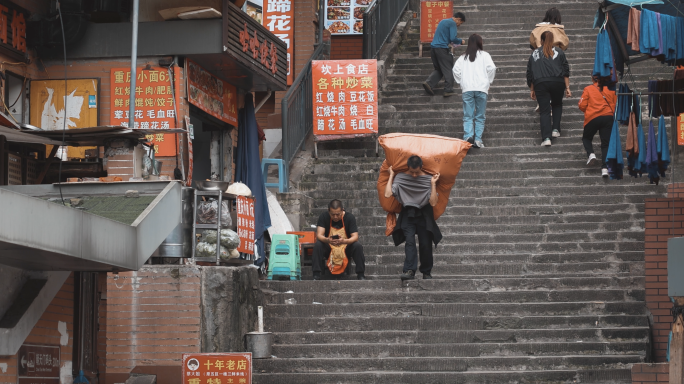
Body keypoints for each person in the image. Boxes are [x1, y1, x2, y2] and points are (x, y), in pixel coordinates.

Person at [384, 156, 443, 281]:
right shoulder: (401, 177)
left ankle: (426, 272)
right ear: (408, 168)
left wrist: (433, 184)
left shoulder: (428, 178)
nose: (415, 175)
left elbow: (433, 202)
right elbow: (388, 194)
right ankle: (409, 270)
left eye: (417, 172)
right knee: (409, 242)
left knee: (425, 244)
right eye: (412, 172)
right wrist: (391, 176)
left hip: (424, 213)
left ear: (422, 167)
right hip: (408, 212)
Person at [526, 31, 571, 146]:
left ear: (541, 41)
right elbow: (565, 70)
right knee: (557, 104)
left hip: (540, 83)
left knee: (544, 110)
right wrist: (567, 87)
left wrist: (532, 89)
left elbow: (530, 73)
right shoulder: (559, 52)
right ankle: (555, 129)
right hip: (558, 82)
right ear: (553, 40)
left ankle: (546, 138)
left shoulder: (534, 53)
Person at [452, 34, 496, 149]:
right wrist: (489, 81)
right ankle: (478, 140)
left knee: (468, 115)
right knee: (480, 116)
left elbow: (455, 70)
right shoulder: (485, 55)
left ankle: (468, 136)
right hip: (482, 88)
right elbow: (492, 68)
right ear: (480, 43)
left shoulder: (463, 57)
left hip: (467, 89)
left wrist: (461, 82)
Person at [311, 199, 366, 280]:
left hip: (345, 248)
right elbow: (319, 235)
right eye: (332, 214)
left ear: (342, 210)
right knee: (318, 245)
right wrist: (328, 240)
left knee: (357, 246)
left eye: (338, 214)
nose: (335, 217)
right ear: (328, 211)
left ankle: (361, 274)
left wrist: (344, 241)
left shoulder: (349, 217)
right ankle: (316, 274)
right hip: (330, 248)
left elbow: (355, 237)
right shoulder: (324, 216)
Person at [578, 76, 616, 178]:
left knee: (586, 137)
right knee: (605, 143)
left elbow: (581, 105)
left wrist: (590, 110)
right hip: (608, 117)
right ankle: (605, 168)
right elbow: (614, 103)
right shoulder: (610, 89)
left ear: (592, 78)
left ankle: (591, 154)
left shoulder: (588, 89)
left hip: (593, 117)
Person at [422, 12, 467, 98]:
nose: (459, 25)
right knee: (448, 68)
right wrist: (461, 41)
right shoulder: (452, 23)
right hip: (442, 49)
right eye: (460, 23)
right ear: (458, 19)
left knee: (439, 69)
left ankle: (429, 83)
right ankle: (448, 90)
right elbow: (453, 38)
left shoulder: (443, 21)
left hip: (433, 48)